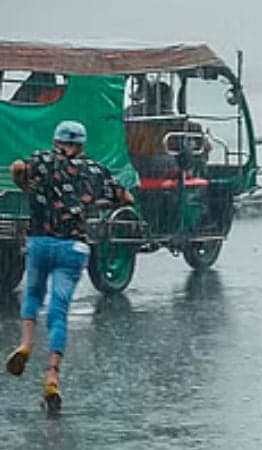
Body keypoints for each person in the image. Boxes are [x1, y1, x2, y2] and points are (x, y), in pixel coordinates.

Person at [5, 121, 134, 410]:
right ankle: (52, 374)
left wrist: (24, 184)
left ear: (56, 140)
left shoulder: (41, 161)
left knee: (33, 295)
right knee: (59, 309)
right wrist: (94, 204)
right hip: (73, 247)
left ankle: (25, 344)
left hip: (40, 241)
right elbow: (127, 198)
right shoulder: (96, 170)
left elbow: (16, 168)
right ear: (82, 144)